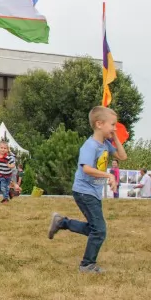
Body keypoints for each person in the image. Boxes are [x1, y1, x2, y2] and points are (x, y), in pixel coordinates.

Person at [47, 106, 127, 274]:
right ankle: (87, 265)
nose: (114, 128)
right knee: (99, 230)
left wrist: (116, 138)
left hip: (92, 192)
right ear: (99, 124)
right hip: (84, 192)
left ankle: (62, 222)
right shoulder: (90, 146)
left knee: (95, 229)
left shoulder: (105, 144)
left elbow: (122, 156)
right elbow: (87, 169)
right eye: (112, 125)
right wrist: (109, 176)